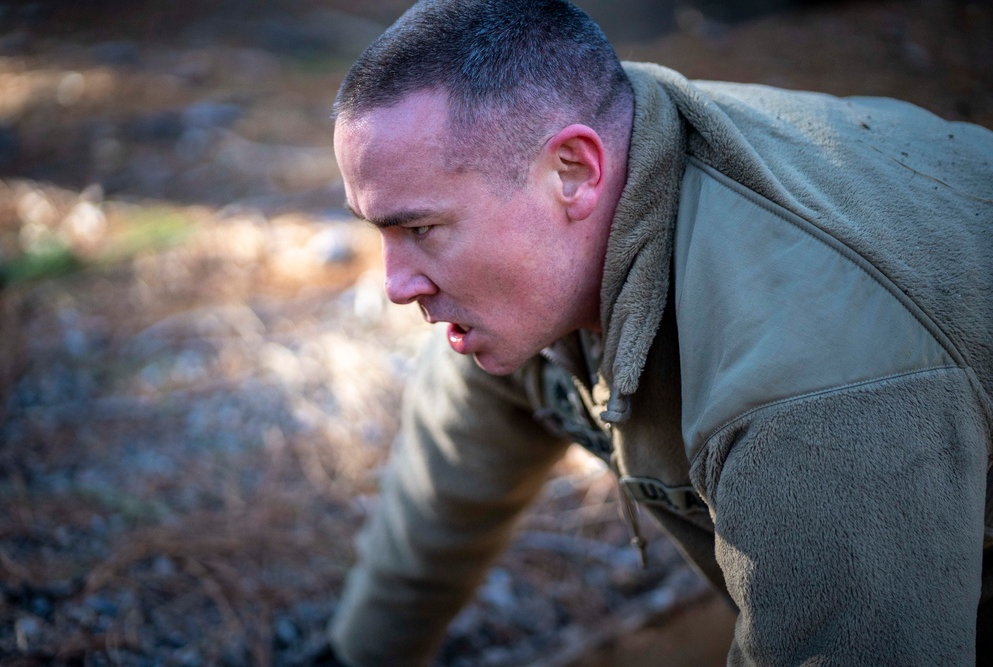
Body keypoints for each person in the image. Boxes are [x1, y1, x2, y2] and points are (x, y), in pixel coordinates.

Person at [320, 0, 993, 664]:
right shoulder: (534, 275)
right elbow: (441, 502)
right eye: (379, 229)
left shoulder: (805, 382)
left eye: (420, 229)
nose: (395, 284)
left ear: (574, 172)